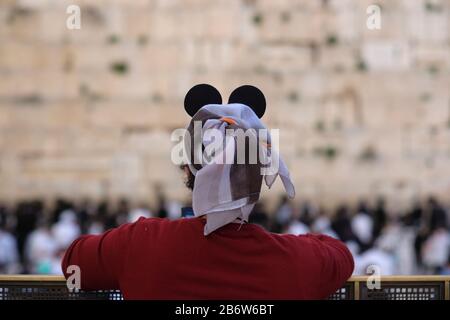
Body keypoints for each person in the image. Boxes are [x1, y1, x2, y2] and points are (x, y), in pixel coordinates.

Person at [62, 84, 354, 299]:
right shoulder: (297, 261)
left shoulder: (138, 244)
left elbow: (74, 261)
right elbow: (341, 256)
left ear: (188, 169)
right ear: (258, 174)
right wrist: (286, 243)